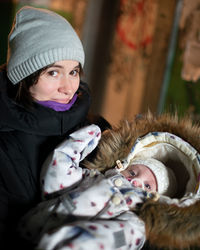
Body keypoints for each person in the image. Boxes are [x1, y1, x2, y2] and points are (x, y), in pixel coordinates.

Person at [0, 6, 109, 248]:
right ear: (23, 76)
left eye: (73, 71)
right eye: (53, 72)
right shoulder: (4, 144)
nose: (68, 87)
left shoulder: (98, 128)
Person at [17, 124, 177, 249]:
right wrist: (81, 141)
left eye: (147, 186)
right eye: (133, 173)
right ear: (122, 166)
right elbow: (56, 181)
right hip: (29, 227)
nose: (135, 181)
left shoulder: (135, 221)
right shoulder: (93, 177)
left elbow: (112, 239)